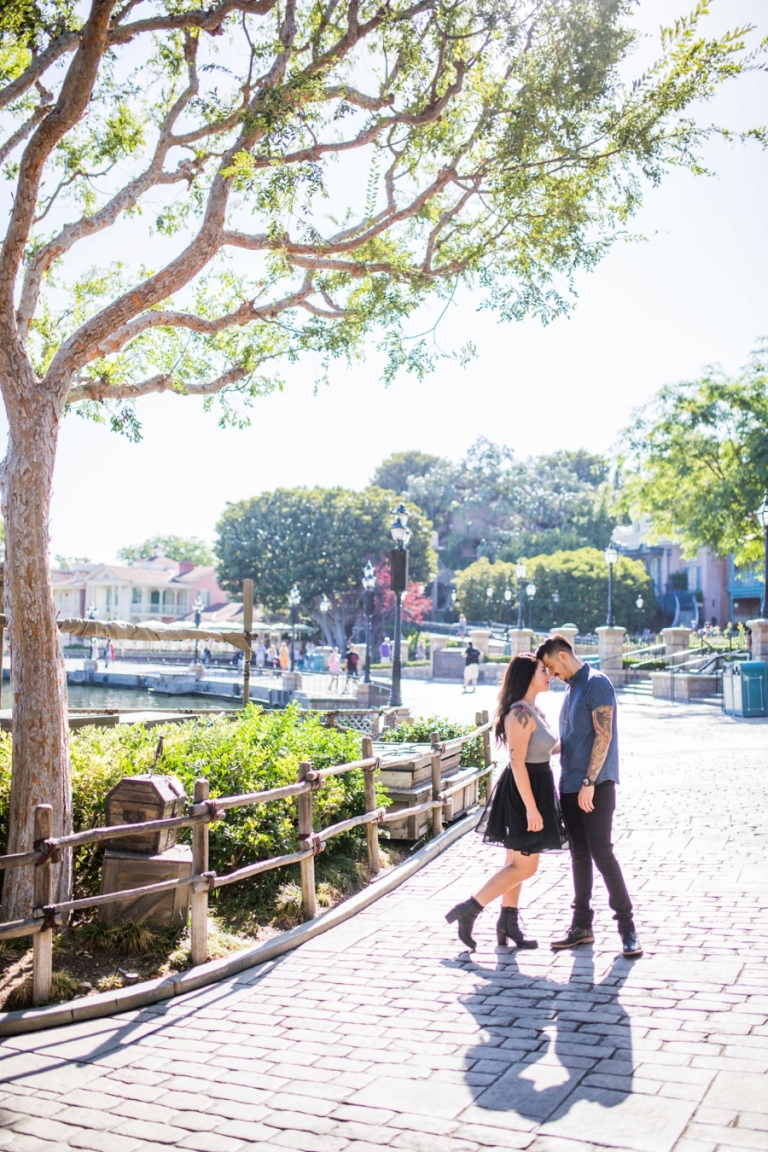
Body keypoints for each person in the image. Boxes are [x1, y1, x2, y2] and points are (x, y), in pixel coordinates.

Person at [445, 653, 567, 950]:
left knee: (514, 861)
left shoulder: (534, 710)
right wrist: (532, 807)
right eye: (543, 670)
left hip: (535, 785)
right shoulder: (519, 713)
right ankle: (470, 909)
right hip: (524, 791)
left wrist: (575, 741)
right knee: (525, 867)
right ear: (527, 676)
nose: (548, 674)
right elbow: (517, 762)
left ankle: (508, 922)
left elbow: (538, 752)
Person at [536, 635, 642, 959]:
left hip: (594, 786)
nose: (552, 675)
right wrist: (536, 754)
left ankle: (628, 929)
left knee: (602, 854)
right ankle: (581, 926)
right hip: (570, 785)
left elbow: (604, 734)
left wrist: (588, 781)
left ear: (563, 656)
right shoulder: (571, 691)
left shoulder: (596, 683)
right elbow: (571, 740)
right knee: (579, 856)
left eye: (552, 667)